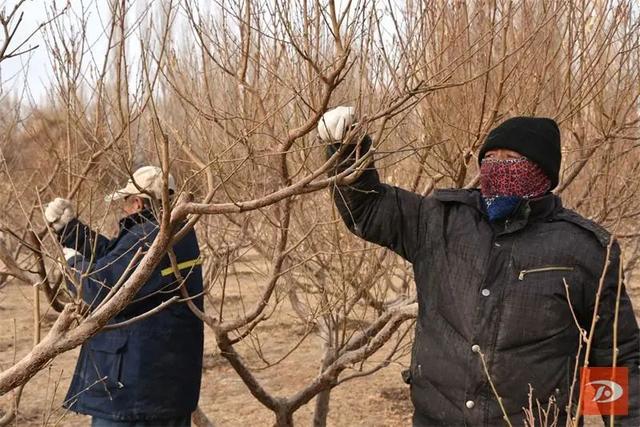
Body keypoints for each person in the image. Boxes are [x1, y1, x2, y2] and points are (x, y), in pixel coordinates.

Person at [318, 107, 639, 426]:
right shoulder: (439, 221)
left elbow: (616, 359)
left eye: (510, 158)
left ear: (542, 171)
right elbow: (369, 209)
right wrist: (347, 150)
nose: (497, 167)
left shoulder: (583, 249)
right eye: (490, 158)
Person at [44, 166, 204, 427]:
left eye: (126, 203)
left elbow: (99, 289)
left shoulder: (149, 236)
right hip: (166, 387)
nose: (123, 209)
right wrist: (71, 232)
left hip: (132, 394)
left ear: (138, 202)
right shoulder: (177, 232)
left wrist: (73, 265)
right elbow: (118, 260)